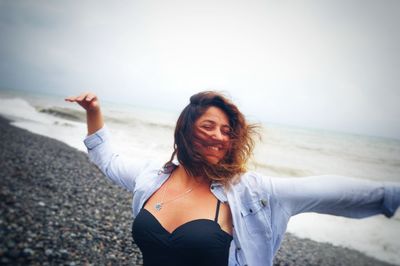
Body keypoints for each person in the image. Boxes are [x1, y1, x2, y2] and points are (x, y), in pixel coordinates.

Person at [65, 91, 400, 266]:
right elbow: (108, 160)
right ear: (186, 129)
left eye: (227, 131)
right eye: (209, 126)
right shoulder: (152, 177)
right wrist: (94, 112)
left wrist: (390, 194)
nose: (219, 136)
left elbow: (328, 191)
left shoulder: (250, 193)